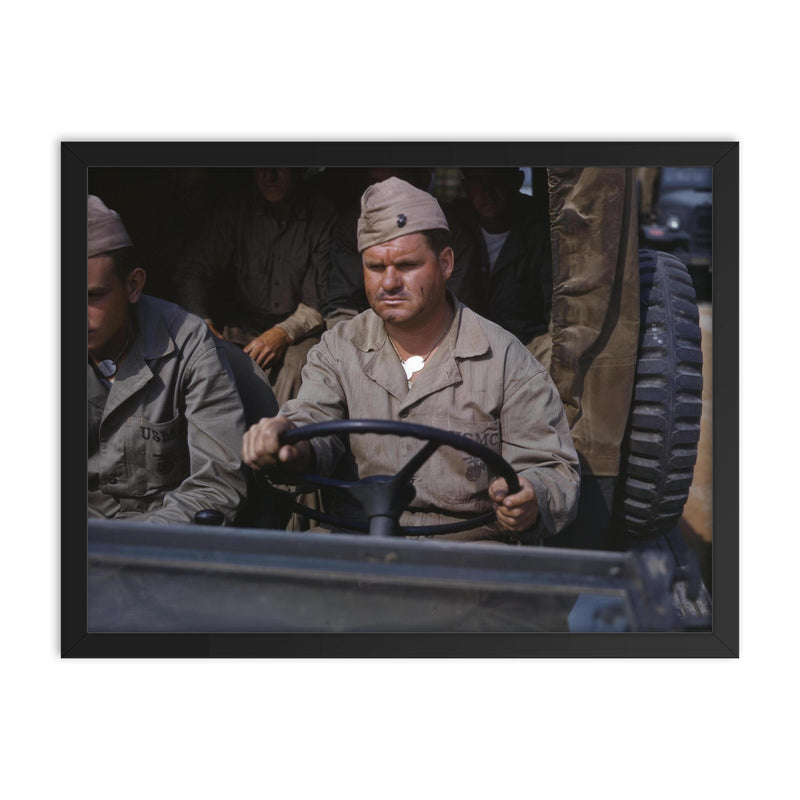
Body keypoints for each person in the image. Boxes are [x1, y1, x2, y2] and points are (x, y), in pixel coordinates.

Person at [242, 178, 580, 543]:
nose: (388, 283)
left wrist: (532, 497)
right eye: (375, 267)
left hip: (469, 551)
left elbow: (550, 468)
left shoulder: (505, 359)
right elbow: (313, 420)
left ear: (446, 263)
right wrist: (290, 443)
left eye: (406, 265)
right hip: (356, 538)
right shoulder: (338, 350)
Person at [88, 195, 248, 524]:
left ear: (133, 285)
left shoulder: (189, 345)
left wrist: (130, 546)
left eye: (92, 296)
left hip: (160, 546)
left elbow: (218, 487)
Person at [173, 167, 336, 406]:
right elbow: (192, 269)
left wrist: (282, 333)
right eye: (261, 165)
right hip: (242, 321)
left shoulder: (322, 214)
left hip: (299, 328)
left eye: (280, 165)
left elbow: (319, 301)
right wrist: (204, 323)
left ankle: (277, 438)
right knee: (201, 354)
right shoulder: (237, 208)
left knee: (296, 366)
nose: (269, 175)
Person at [444, 167, 553, 367]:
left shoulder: (541, 227)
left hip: (526, 344)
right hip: (466, 344)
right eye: (478, 182)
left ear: (516, 181)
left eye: (497, 179)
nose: (487, 191)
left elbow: (556, 309)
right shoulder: (454, 224)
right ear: (466, 187)